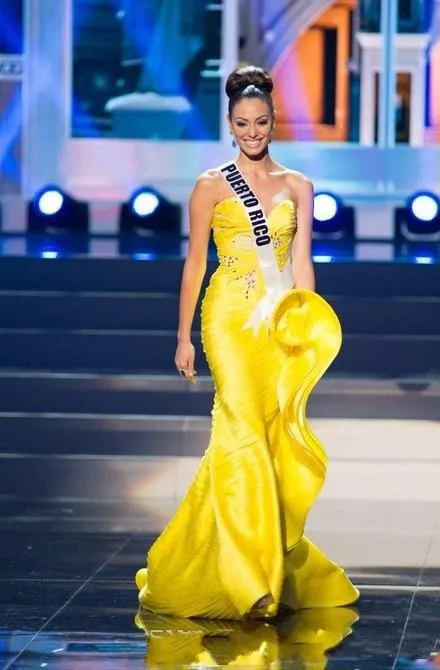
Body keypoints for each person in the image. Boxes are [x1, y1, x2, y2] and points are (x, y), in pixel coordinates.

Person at [135, 65, 359, 620]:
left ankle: (231, 560)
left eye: (261, 122)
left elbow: (301, 261)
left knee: (265, 435)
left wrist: (306, 325)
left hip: (277, 322)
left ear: (273, 121)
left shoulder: (298, 186)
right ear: (230, 124)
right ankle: (248, 578)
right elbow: (192, 263)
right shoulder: (210, 184)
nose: (253, 132)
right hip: (229, 319)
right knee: (239, 433)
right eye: (243, 123)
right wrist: (183, 334)